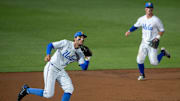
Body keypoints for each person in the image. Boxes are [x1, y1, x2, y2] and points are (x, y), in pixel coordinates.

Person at [17, 31, 92, 101]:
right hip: (51, 68)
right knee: (48, 94)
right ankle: (26, 90)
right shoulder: (66, 43)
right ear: (75, 38)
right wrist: (48, 54)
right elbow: (51, 45)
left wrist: (88, 58)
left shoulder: (80, 53)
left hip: (61, 71)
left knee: (69, 88)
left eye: (83, 38)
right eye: (80, 37)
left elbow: (84, 67)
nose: (82, 39)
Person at [125, 2, 170, 80]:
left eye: (150, 8)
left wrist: (158, 37)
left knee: (154, 63)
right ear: (145, 9)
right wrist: (129, 31)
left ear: (152, 9)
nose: (149, 9)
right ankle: (142, 75)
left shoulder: (156, 20)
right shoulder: (141, 19)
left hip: (153, 43)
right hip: (144, 42)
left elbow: (162, 30)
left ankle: (163, 53)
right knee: (139, 59)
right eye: (148, 8)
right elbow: (136, 26)